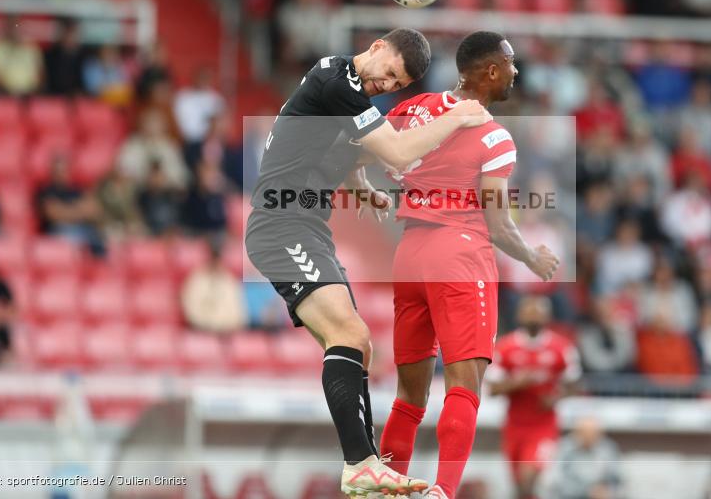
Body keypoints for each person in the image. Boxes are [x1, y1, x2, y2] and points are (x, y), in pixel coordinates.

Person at [244, 28, 490, 496]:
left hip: (306, 227)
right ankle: (360, 465)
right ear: (376, 47)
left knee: (360, 346)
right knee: (350, 335)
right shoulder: (338, 79)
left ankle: (366, 469)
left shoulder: (345, 89)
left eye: (396, 85)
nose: (386, 86)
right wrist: (457, 116)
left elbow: (346, 148)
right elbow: (395, 150)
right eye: (389, 74)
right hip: (282, 225)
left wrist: (363, 188)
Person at [374, 32, 560, 499]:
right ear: (492, 70)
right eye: (511, 64)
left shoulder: (415, 107)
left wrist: (363, 186)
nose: (517, 72)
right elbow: (498, 226)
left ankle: (382, 489)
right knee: (465, 385)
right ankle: (442, 492)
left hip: (410, 254)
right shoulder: (495, 137)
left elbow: (363, 147)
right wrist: (532, 256)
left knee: (409, 398)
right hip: (460, 256)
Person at [488, 295, 579, 499]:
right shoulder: (506, 347)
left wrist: (556, 397)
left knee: (528, 478)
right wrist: (516, 383)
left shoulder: (562, 348)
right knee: (520, 486)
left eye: (538, 312)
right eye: (529, 312)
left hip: (544, 426)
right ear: (519, 315)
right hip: (514, 426)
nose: (533, 317)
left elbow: (574, 384)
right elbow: (492, 389)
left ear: (548, 316)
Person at [550, 416, 622, 499]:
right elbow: (555, 481)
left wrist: (608, 491)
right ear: (577, 433)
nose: (590, 438)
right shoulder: (564, 448)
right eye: (585, 433)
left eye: (594, 434)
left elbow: (618, 478)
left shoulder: (608, 448)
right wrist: (587, 491)